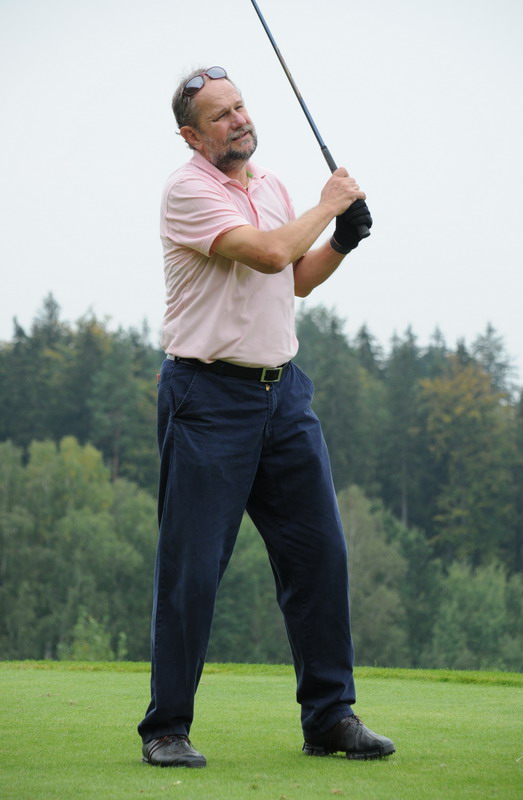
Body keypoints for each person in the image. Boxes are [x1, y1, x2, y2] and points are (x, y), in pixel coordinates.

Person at [138, 65, 395, 768]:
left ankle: (330, 718)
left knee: (319, 557)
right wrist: (330, 204)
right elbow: (271, 253)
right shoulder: (187, 190)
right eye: (220, 116)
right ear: (192, 136)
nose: (238, 120)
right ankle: (166, 728)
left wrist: (341, 240)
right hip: (206, 398)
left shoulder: (273, 186)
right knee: (192, 569)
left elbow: (296, 278)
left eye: (240, 106)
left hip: (283, 396)